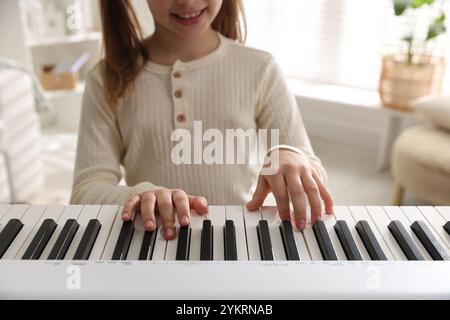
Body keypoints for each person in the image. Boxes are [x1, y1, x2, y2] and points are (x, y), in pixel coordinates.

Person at [70, 0, 334, 240]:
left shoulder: (261, 68)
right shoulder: (104, 79)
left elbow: (310, 165)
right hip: (154, 240)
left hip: (236, 238)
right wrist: (136, 195)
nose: (187, 2)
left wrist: (288, 153)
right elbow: (86, 191)